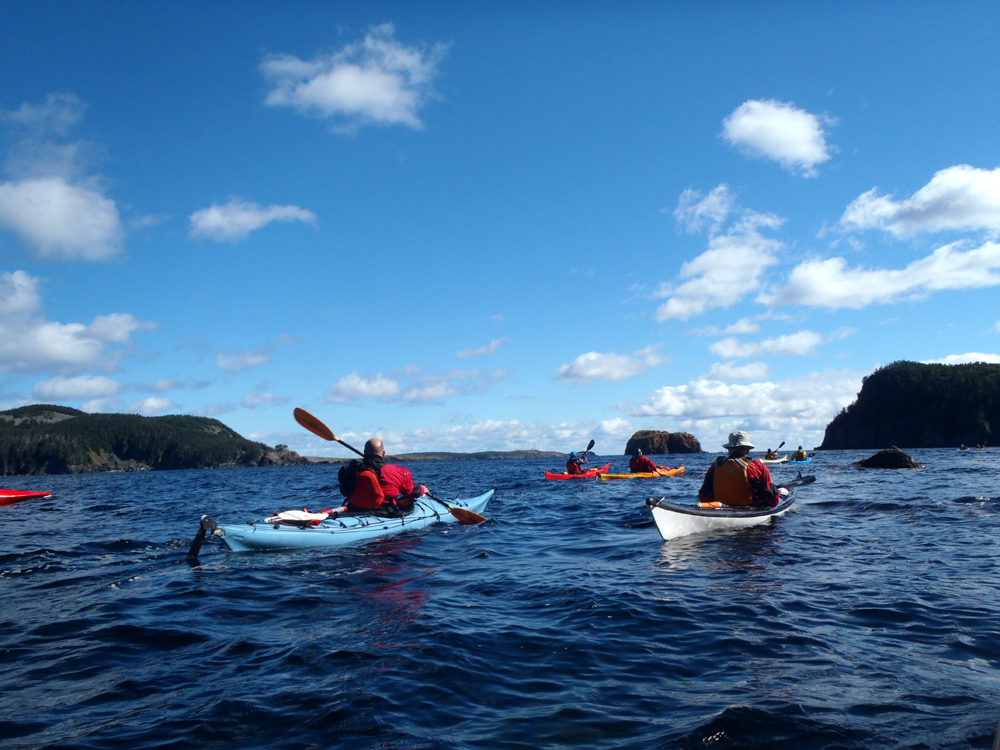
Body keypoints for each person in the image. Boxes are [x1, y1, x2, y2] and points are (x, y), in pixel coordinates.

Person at [699, 431, 783, 508]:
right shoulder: (757, 467)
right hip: (750, 510)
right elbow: (773, 500)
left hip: (720, 508)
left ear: (728, 448)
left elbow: (704, 496)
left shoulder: (716, 466)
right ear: (748, 449)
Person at [339, 438, 427, 512]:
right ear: (383, 454)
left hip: (355, 510)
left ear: (365, 453)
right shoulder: (396, 471)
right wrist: (423, 489)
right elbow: (410, 492)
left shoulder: (353, 472)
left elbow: (344, 491)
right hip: (383, 512)